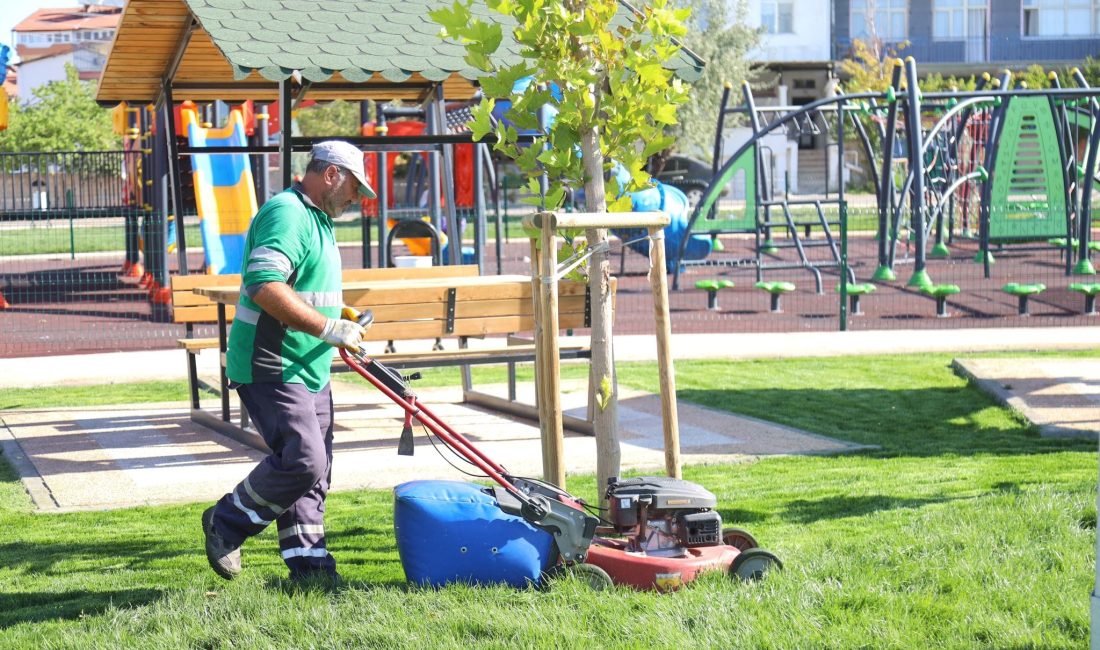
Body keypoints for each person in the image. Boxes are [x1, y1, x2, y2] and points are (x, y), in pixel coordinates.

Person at [201, 141, 376, 583]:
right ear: (331, 175)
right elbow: (264, 285)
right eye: (356, 187)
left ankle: (310, 566)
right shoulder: (288, 213)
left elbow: (303, 287)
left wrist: (341, 316)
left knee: (315, 472)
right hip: (271, 362)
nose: (358, 198)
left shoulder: (317, 219)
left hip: (307, 366)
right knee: (303, 459)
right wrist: (327, 328)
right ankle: (226, 522)